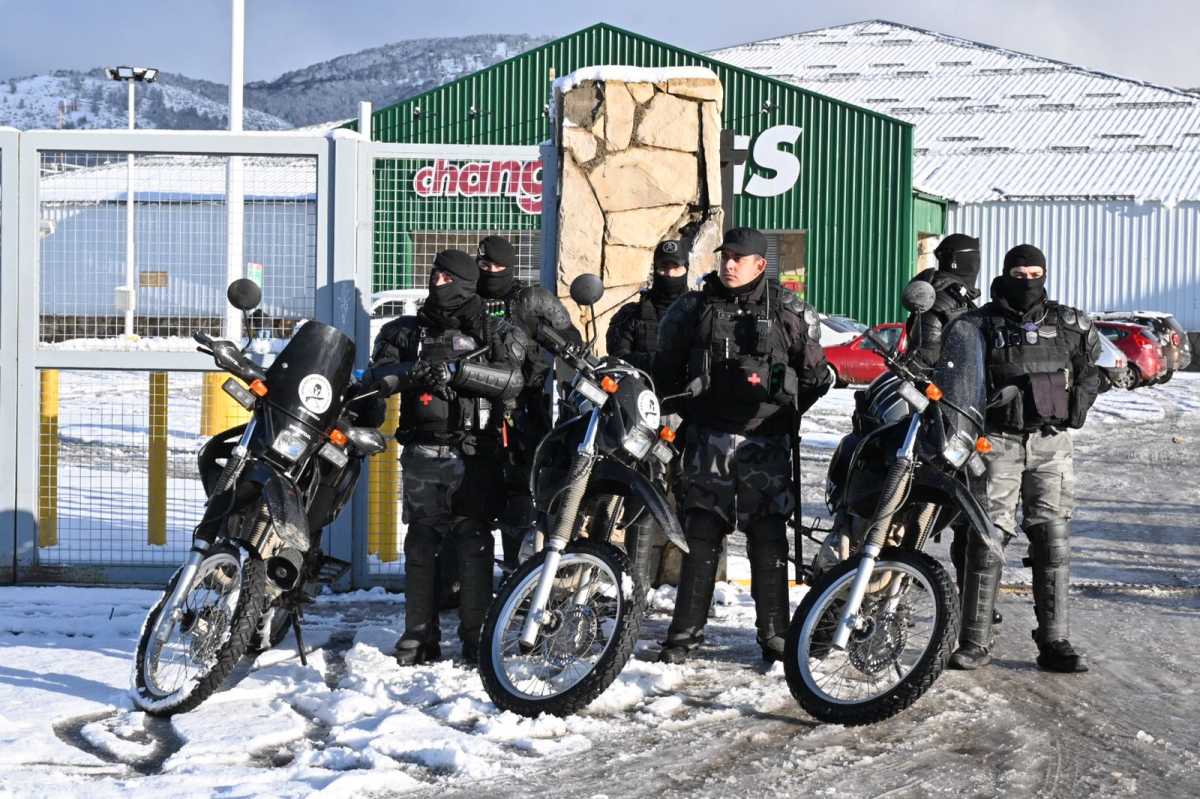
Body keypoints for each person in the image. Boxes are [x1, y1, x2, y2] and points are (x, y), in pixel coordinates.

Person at [653, 227, 833, 664]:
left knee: (768, 538)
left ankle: (775, 636)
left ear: (759, 264)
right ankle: (683, 638)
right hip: (707, 439)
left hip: (764, 445)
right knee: (701, 537)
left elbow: (816, 376)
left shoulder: (790, 311)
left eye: (739, 258)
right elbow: (664, 370)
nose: (730, 264)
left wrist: (781, 408)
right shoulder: (692, 309)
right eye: (725, 256)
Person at [366, 249, 527, 666]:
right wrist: (413, 372)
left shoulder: (494, 329)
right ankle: (418, 637)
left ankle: (476, 638)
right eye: (434, 275)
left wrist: (459, 373)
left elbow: (513, 380)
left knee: (473, 541)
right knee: (421, 542)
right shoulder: (407, 332)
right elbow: (376, 378)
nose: (437, 283)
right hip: (421, 452)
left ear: (467, 283)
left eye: (447, 277)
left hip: (474, 453)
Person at [949, 244, 1101, 673]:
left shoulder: (1069, 322)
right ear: (1005, 273)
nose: (1028, 280)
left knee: (1052, 541)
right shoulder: (978, 324)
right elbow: (956, 378)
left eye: (1036, 272)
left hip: (1050, 443)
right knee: (986, 540)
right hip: (996, 443)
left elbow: (1094, 367)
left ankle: (1054, 641)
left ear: (1046, 274)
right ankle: (974, 641)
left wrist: (1080, 404)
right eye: (1020, 272)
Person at [474, 234, 580, 569]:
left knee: (521, 496)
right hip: (472, 412)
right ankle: (462, 582)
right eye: (484, 264)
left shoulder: (531, 300)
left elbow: (571, 344)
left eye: (498, 266)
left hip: (524, 412)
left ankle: (517, 575)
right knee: (470, 498)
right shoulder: (468, 297)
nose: (491, 271)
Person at [901, 234, 993, 618]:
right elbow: (923, 360)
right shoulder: (939, 300)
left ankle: (967, 596)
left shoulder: (963, 300)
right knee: (917, 509)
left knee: (964, 517)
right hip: (936, 419)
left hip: (961, 417)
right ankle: (896, 587)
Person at [606, 238, 691, 587]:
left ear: (686, 269)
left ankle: (685, 587)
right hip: (643, 414)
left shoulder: (699, 312)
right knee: (641, 497)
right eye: (663, 268)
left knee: (692, 501)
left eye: (675, 268)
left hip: (687, 414)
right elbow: (619, 359)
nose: (669, 274)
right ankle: (636, 584)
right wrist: (659, 368)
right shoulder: (633, 315)